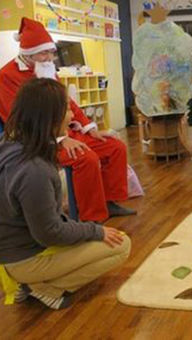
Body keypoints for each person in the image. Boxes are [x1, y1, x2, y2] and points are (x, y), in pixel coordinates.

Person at [0, 78, 131, 309]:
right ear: (52, 117)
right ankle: (47, 287)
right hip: (24, 257)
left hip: (14, 250)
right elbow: (49, 233)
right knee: (121, 245)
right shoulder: (33, 170)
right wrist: (95, 231)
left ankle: (32, 281)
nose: (72, 116)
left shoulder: (12, 144)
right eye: (69, 109)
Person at [0, 17, 135, 222]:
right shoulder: (6, 77)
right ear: (27, 53)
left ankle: (109, 201)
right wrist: (61, 139)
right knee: (85, 158)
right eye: (43, 52)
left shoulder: (46, 69)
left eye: (51, 52)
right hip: (37, 140)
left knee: (114, 147)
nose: (49, 58)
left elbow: (68, 102)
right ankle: (91, 217)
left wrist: (89, 128)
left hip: (64, 131)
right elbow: (19, 120)